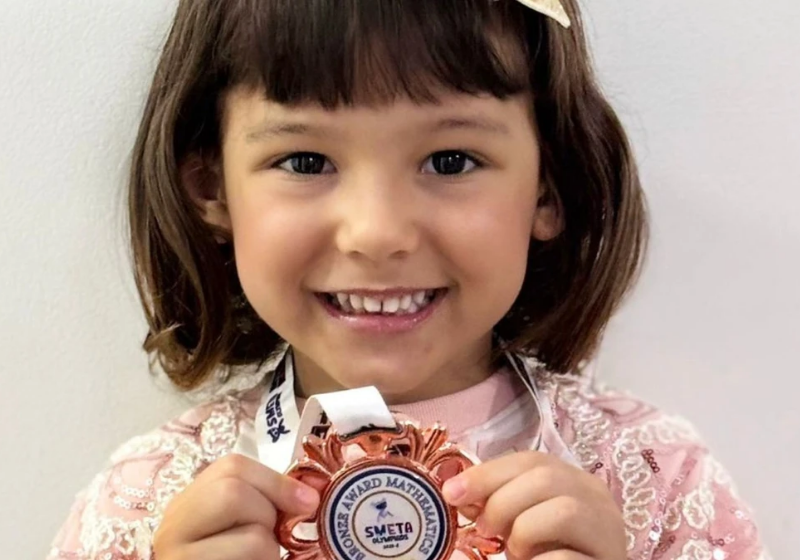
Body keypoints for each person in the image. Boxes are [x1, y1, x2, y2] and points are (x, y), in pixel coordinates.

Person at [47, 0, 769, 559]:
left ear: (549, 186)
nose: (378, 232)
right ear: (212, 189)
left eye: (450, 161)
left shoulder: (657, 479)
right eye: (305, 161)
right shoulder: (142, 506)